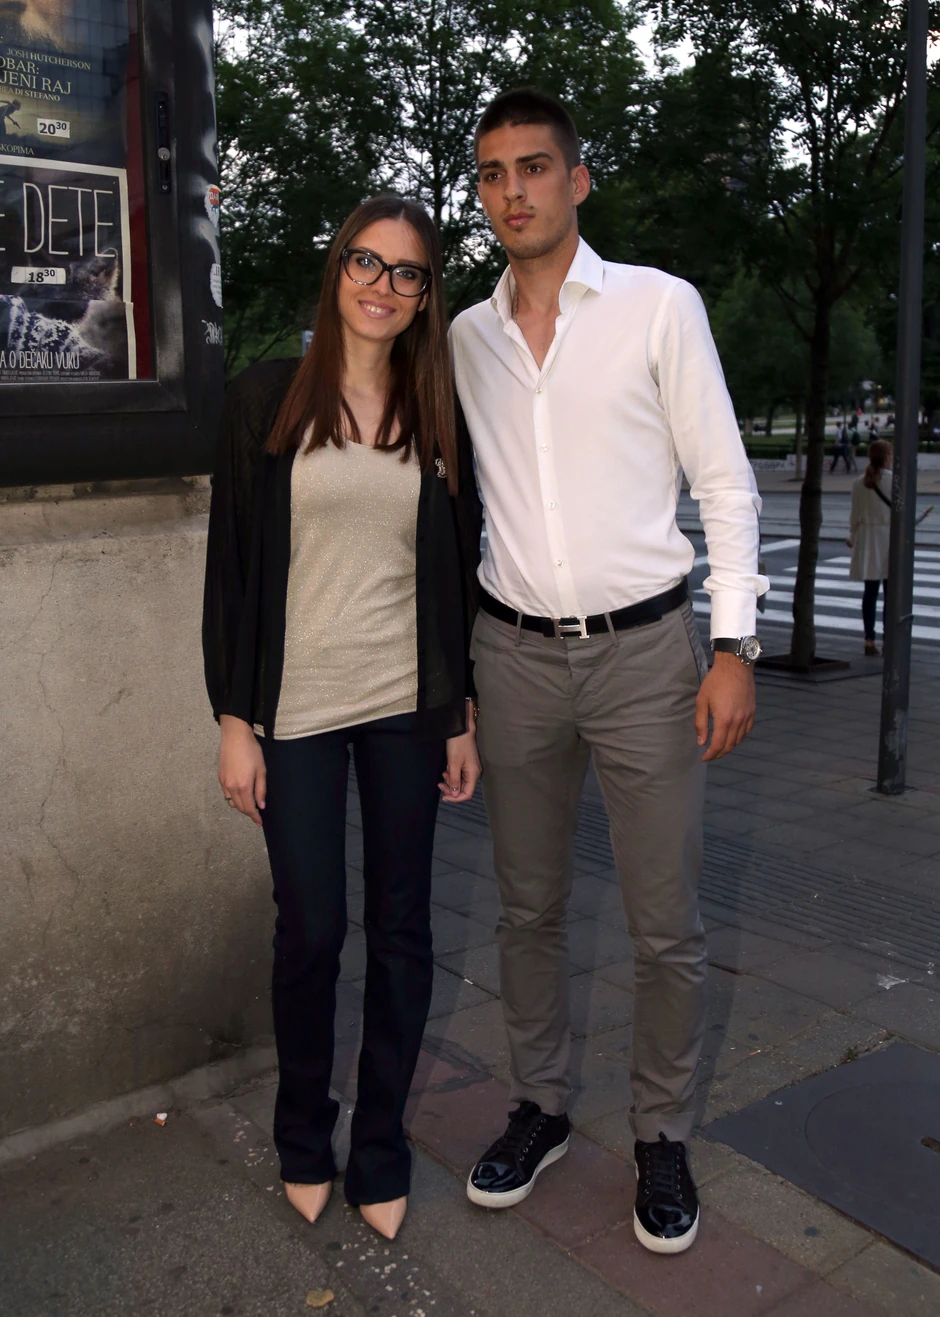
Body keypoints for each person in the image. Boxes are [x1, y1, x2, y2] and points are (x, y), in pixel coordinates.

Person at [450, 89, 768, 1255]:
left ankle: (660, 1132)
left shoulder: (656, 307)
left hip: (646, 656)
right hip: (514, 656)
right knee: (525, 908)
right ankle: (539, 1105)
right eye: (493, 173)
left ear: (577, 180)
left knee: (664, 922)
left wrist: (732, 647)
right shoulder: (465, 338)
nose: (514, 191)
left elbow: (724, 483)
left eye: (534, 167)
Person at [202, 194, 482, 1241]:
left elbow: (455, 574)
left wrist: (459, 710)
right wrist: (235, 717)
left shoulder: (437, 415)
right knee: (313, 927)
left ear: (424, 297)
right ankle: (302, 1135)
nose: (382, 286)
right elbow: (232, 567)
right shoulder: (265, 399)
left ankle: (380, 1148)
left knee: (403, 929)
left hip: (406, 707)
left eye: (407, 273)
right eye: (366, 261)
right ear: (337, 270)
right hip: (297, 709)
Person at [848, 439, 893, 656]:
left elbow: (855, 515)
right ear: (886, 457)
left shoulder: (859, 482)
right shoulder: (894, 480)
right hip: (889, 539)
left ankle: (869, 639)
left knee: (870, 592)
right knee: (891, 594)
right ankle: (888, 639)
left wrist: (852, 536)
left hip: (868, 539)